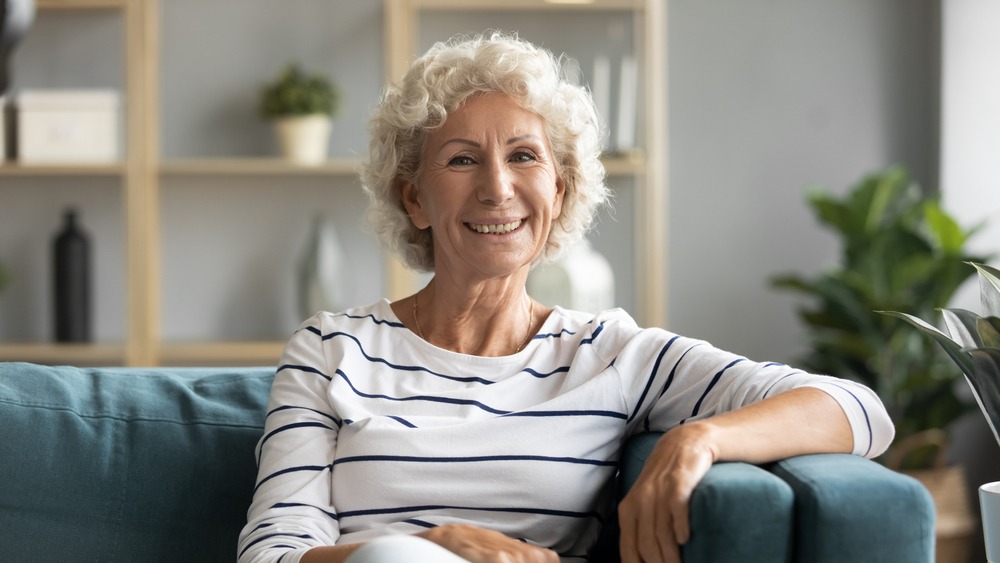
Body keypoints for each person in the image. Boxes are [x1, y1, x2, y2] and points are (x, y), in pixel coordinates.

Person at [238, 33, 893, 563]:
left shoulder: (609, 353)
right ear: (415, 198)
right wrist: (425, 545)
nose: (497, 189)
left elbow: (860, 411)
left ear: (559, 190)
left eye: (524, 156)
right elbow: (272, 552)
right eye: (463, 160)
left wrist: (699, 438)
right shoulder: (331, 347)